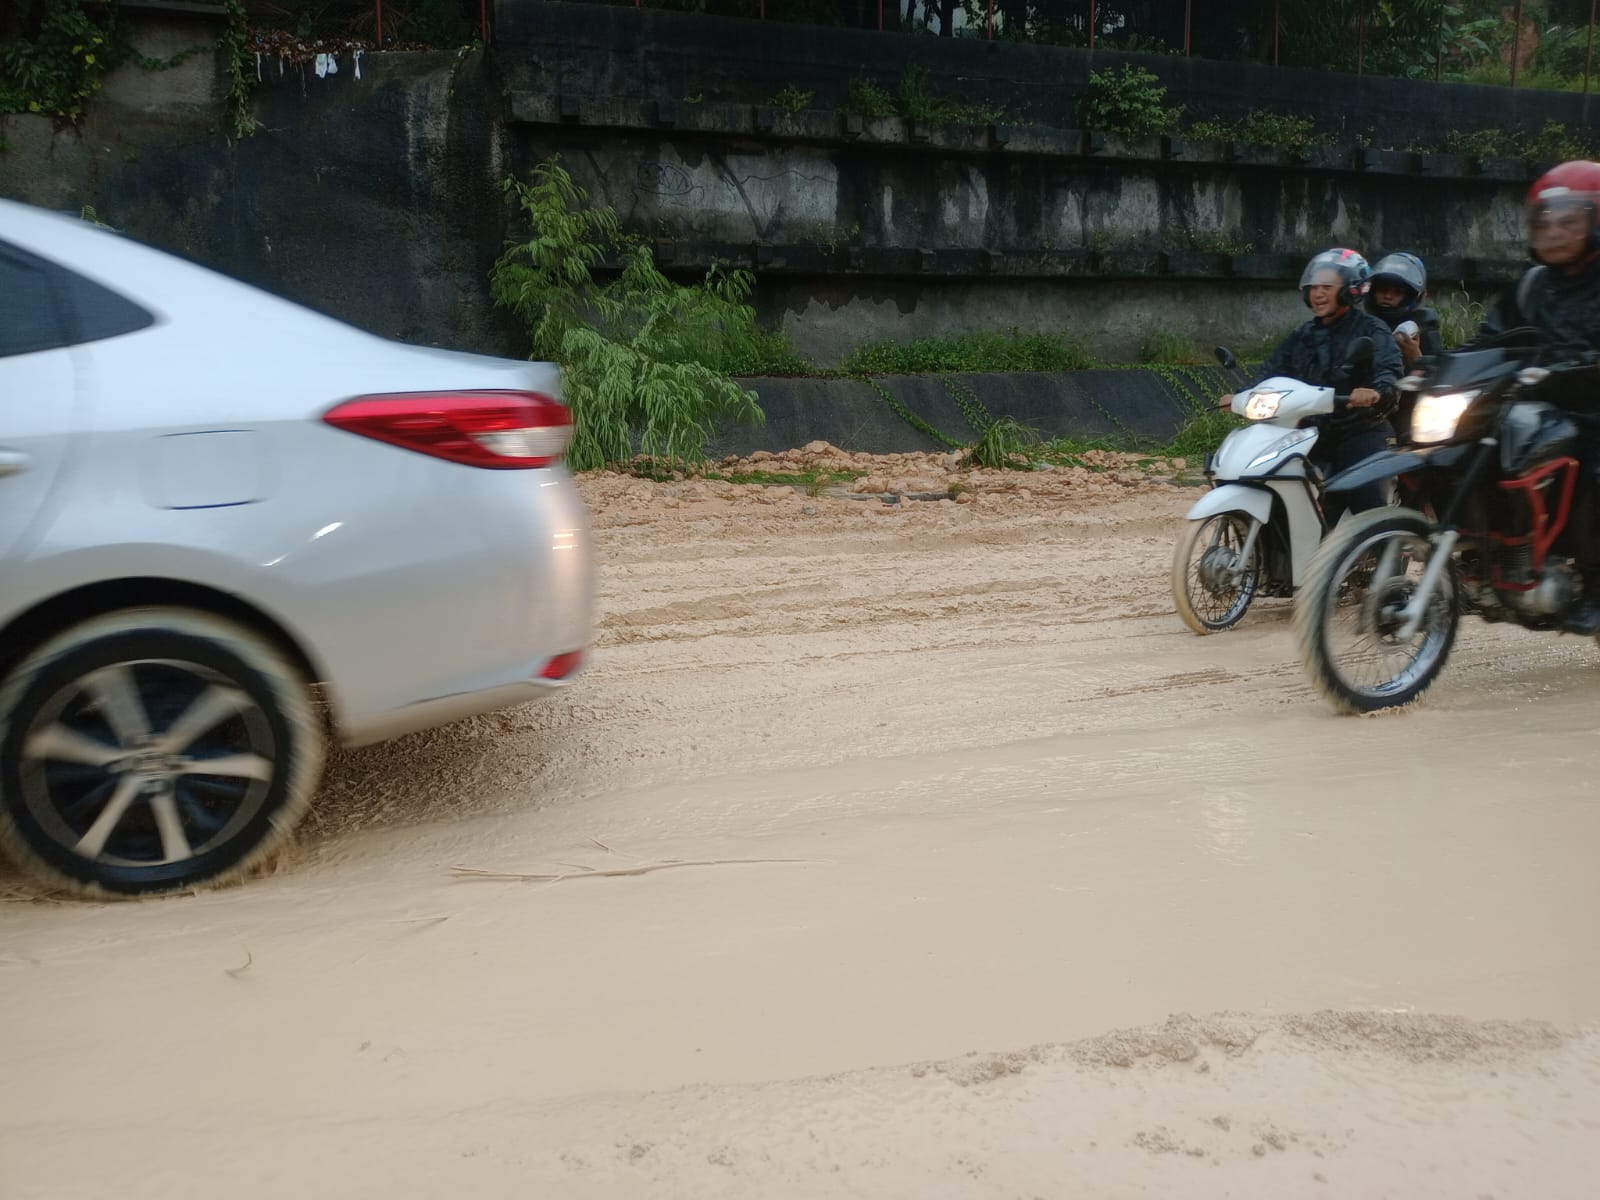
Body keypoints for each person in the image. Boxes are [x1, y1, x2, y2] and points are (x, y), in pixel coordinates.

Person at [1459, 160, 1600, 634]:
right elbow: (1491, 340)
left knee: (1592, 470)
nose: (1554, 232)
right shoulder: (1532, 284)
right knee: (1469, 443)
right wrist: (1434, 367)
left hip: (1593, 408)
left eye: (1568, 221)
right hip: (1540, 402)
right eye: (1545, 221)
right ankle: (1490, 553)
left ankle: (1596, 586)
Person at [1219, 248, 1403, 525]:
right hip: (1309, 430)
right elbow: (1271, 371)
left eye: (1327, 287)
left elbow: (1388, 370)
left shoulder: (1371, 329)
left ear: (1351, 290)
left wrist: (1376, 392)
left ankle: (1381, 542)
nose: (1318, 294)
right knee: (1266, 475)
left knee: (1363, 495)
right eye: (1314, 287)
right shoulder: (1303, 335)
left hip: (1358, 429)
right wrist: (1242, 395)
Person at [1365, 252, 1445, 368]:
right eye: (1383, 290)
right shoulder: (1361, 322)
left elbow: (1439, 374)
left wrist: (1415, 356)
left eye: (1398, 292)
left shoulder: (1422, 326)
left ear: (1411, 296)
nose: (1388, 296)